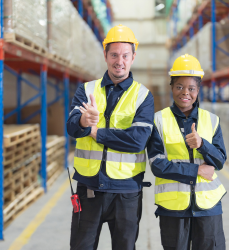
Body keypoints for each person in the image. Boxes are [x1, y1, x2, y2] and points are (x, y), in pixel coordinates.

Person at [66, 24, 154, 250]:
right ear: (105, 55)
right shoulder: (86, 90)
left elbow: (137, 140)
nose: (119, 61)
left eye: (125, 55)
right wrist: (84, 121)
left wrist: (95, 132)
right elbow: (72, 127)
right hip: (89, 188)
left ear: (133, 57)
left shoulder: (143, 96)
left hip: (126, 192)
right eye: (114, 55)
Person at [147, 54, 227, 250]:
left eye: (191, 88)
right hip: (173, 209)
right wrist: (197, 171)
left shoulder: (211, 120)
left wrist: (202, 145)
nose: (185, 93)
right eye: (179, 87)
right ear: (172, 88)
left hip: (208, 207)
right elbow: (158, 165)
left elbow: (220, 160)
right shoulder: (158, 120)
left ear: (198, 90)